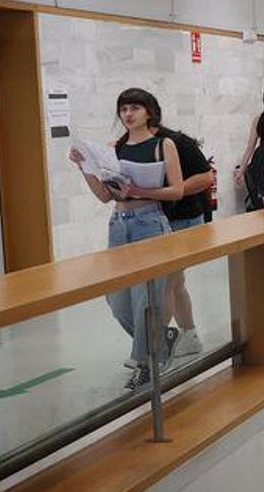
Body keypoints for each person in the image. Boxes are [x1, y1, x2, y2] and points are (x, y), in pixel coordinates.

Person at [69, 88, 186, 389]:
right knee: (118, 300)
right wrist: (84, 167)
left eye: (134, 108)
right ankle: (160, 345)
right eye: (123, 109)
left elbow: (177, 190)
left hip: (151, 222)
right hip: (119, 226)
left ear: (149, 111)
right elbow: (104, 196)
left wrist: (139, 192)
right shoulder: (114, 148)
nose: (128, 114)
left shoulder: (164, 144)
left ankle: (145, 365)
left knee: (145, 301)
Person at [155, 122, 214, 360]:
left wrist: (173, 190)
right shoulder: (131, 146)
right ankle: (189, 335)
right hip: (157, 223)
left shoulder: (178, 143)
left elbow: (206, 177)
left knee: (167, 284)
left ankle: (154, 346)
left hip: (183, 219)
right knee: (175, 282)